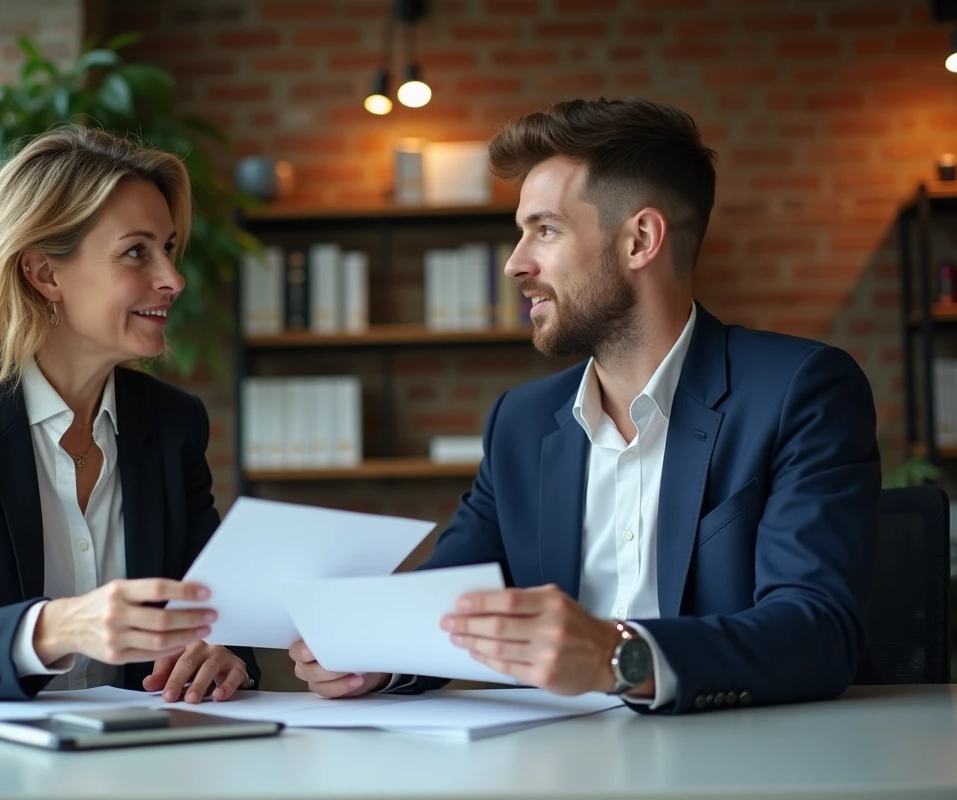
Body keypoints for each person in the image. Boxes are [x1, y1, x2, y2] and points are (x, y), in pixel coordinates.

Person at [290, 97, 881, 714]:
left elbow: (816, 630)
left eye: (545, 229)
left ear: (640, 240)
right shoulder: (519, 422)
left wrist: (613, 654)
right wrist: (372, 656)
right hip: (550, 766)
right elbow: (448, 610)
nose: (516, 264)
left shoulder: (800, 391)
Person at [0, 126, 258, 705]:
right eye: (135, 252)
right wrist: (56, 628)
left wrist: (222, 657)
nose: (173, 279)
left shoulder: (173, 425)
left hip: (131, 765)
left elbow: (222, 619)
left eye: (168, 249)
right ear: (45, 273)